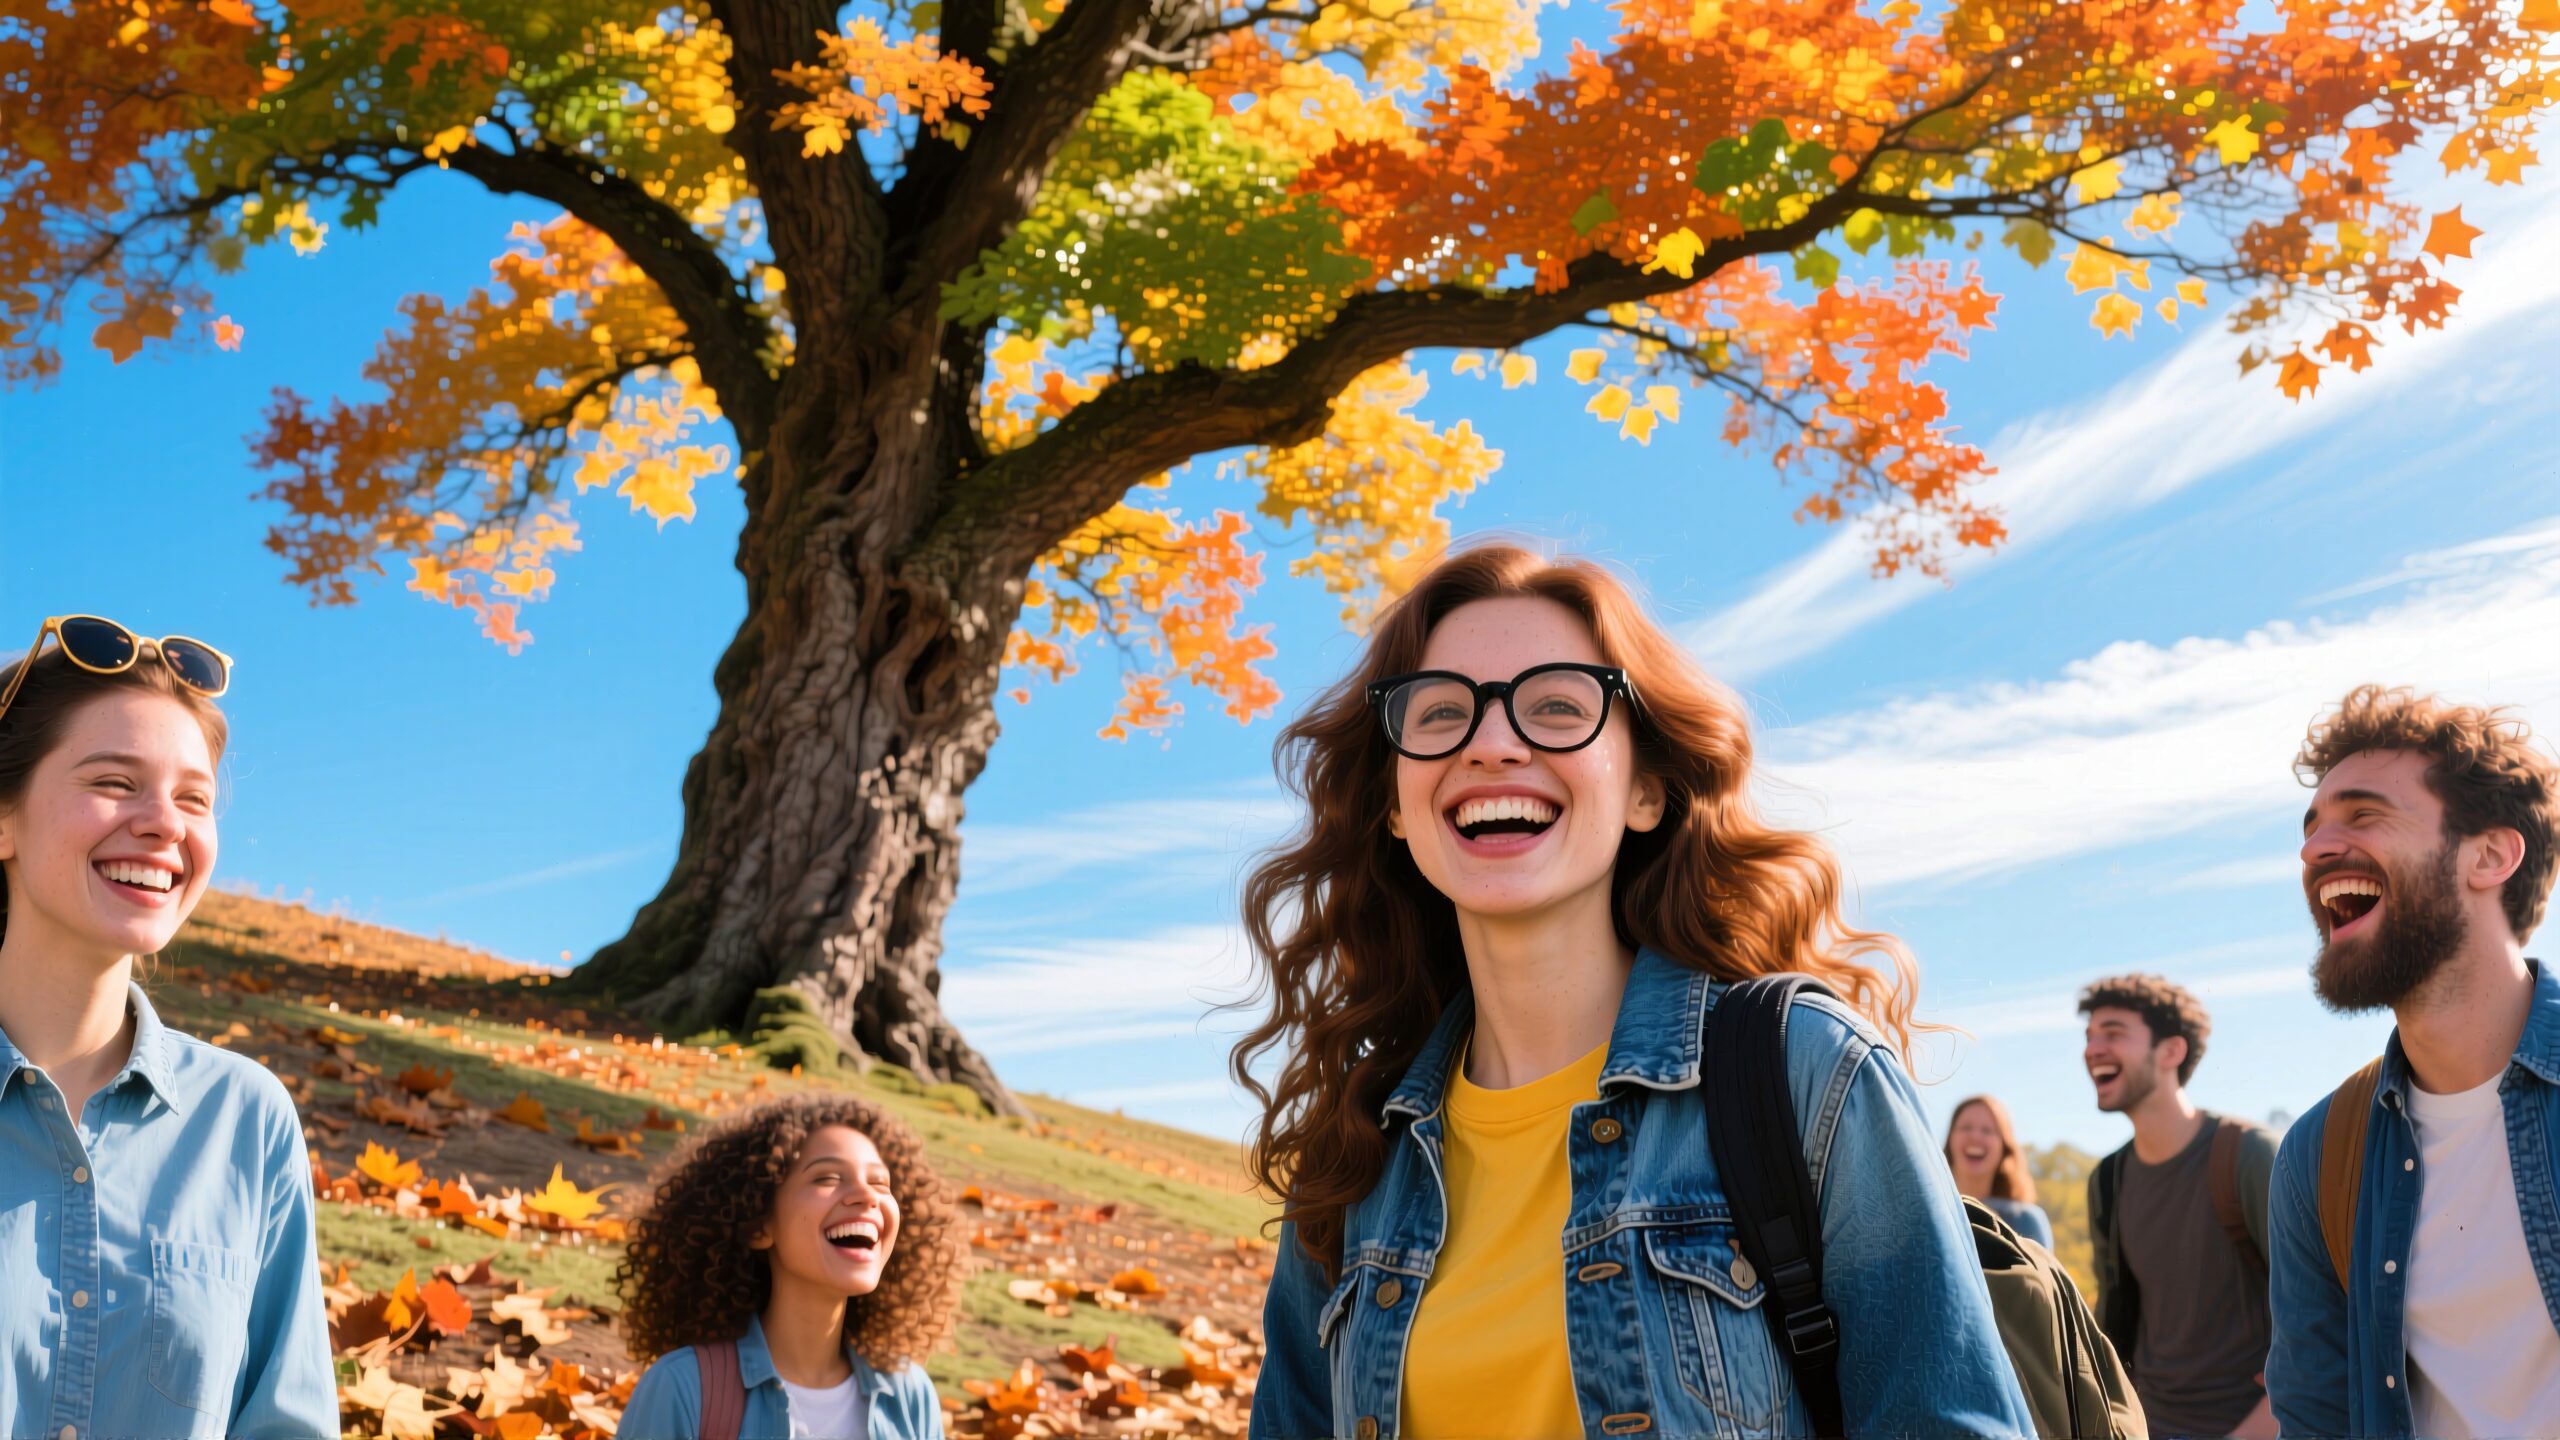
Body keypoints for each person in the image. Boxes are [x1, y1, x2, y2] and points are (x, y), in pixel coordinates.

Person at [1238, 544, 2033, 1440]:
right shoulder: (1357, 1149)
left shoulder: (1808, 1072)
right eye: (1440, 714)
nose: (1493, 744)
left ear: (1647, 790)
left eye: (1556, 707)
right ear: (1394, 801)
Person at [0, 614, 338, 1438]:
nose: (165, 823)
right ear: (3, 819)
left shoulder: (246, 1121)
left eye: (193, 797)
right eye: (115, 782)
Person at [2266, 685, 2560, 1439]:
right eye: (2313, 826)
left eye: (2364, 814)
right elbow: (2317, 1418)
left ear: (2489, 854)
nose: (2315, 848)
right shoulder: (2318, 1156)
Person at [616, 1093, 961, 1440]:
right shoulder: (683, 1388)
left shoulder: (910, 1395)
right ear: (759, 1224)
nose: (867, 1195)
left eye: (879, 1183)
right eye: (827, 1178)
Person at [2079, 973, 2279, 1439]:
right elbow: (2115, 1329)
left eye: (2112, 1033)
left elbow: (2328, 1312)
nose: (2091, 1049)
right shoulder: (2107, 1182)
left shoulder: (2248, 1155)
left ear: (2170, 1051)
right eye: (2089, 1037)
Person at [1945, 1094, 2055, 1249]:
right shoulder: (1926, 1213)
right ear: (1949, 1140)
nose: (1975, 1136)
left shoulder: (2026, 1220)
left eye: (1987, 1130)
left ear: (2004, 1147)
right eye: (1966, 1128)